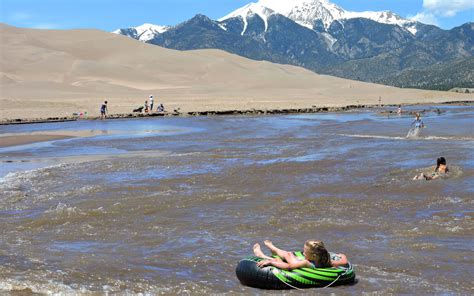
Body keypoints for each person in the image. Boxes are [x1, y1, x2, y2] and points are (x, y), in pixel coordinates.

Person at [253, 240, 348, 270]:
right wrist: (342, 255)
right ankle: (273, 250)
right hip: (308, 263)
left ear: (314, 256)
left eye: (305, 252)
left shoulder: (306, 263)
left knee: (287, 255)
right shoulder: (327, 261)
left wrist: (271, 263)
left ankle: (263, 255)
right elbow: (344, 262)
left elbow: (289, 267)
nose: (303, 253)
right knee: (288, 255)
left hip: (298, 265)